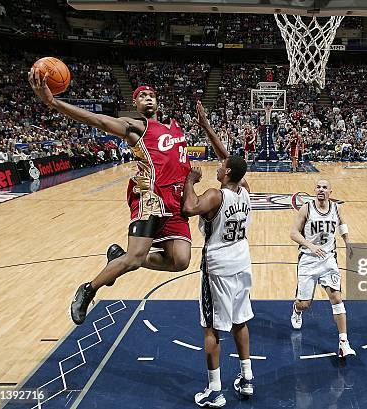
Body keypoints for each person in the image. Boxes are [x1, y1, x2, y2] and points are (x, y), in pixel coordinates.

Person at [28, 69, 193, 325]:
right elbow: (98, 121)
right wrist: (53, 102)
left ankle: (119, 259)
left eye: (151, 95)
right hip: (150, 197)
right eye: (142, 96)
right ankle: (89, 289)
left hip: (175, 200)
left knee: (180, 261)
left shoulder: (175, 128)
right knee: (136, 257)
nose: (148, 98)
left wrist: (191, 176)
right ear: (135, 105)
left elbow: (177, 161)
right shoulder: (135, 127)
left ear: (158, 101)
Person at [183, 101, 254, 408]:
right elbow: (228, 156)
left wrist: (190, 180)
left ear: (226, 174)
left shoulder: (215, 195)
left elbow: (188, 208)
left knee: (211, 328)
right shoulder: (245, 189)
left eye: (221, 166)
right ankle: (247, 378)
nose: (218, 165)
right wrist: (206, 126)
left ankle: (215, 391)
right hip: (242, 262)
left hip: (218, 267)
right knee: (240, 321)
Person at [289, 179, 356, 358]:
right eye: (318, 187)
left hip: (328, 260)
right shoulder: (307, 208)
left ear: (330, 192)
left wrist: (348, 242)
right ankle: (296, 309)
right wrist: (309, 245)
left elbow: (342, 224)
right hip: (308, 260)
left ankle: (344, 343)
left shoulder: (336, 208)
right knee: (305, 304)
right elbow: (293, 232)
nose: (321, 189)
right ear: (314, 190)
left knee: (336, 296)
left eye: (324, 187)